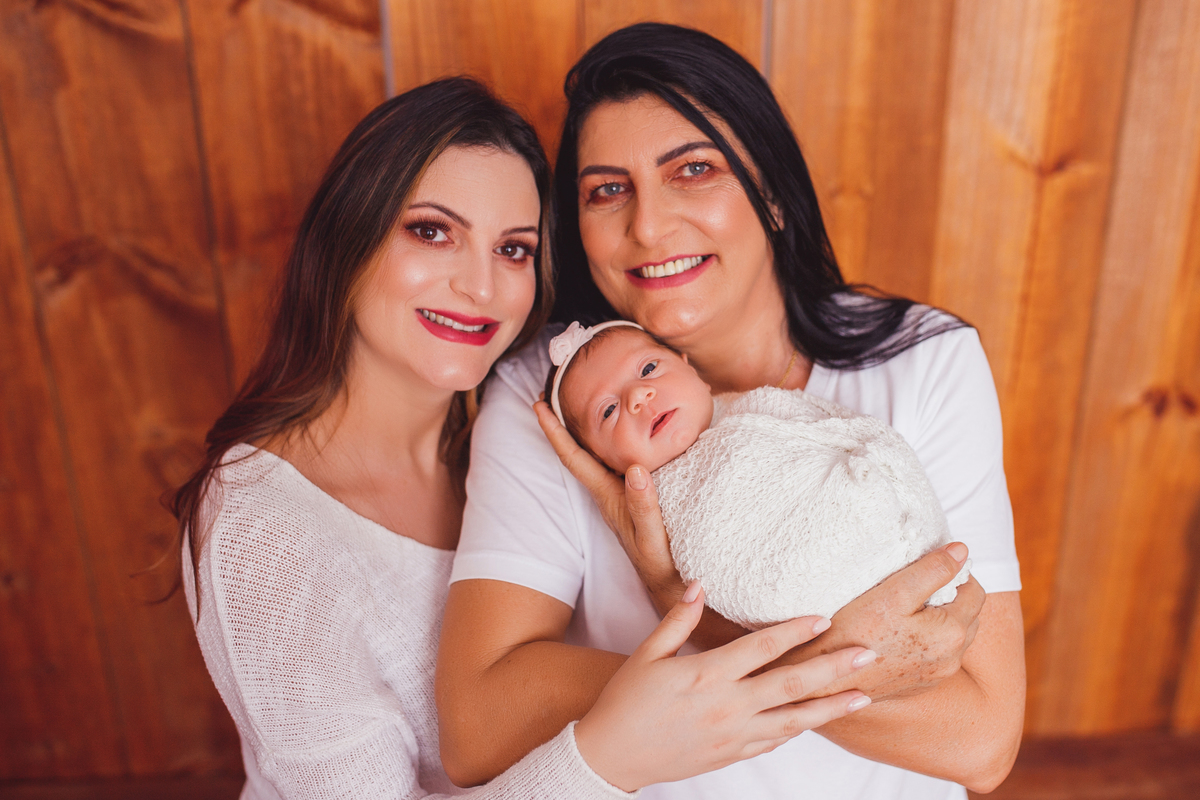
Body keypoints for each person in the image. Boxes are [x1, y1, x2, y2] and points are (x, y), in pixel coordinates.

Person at [169, 78, 877, 800]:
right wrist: (609, 756)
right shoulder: (261, 528)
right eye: (432, 231)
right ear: (345, 238)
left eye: (513, 249)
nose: (481, 287)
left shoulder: (524, 432)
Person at [438, 23, 1025, 799]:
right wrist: (844, 666)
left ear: (772, 194)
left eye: (694, 169)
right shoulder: (552, 395)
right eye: (607, 190)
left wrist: (684, 608)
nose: (648, 226)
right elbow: (477, 724)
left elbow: (982, 740)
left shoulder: (924, 362)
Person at [543, 319, 968, 627]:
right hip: (793, 572)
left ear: (690, 368)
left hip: (860, 497)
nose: (639, 396)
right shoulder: (663, 504)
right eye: (609, 411)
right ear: (605, 464)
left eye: (649, 368)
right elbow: (723, 568)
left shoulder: (759, 404)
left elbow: (841, 427)